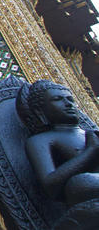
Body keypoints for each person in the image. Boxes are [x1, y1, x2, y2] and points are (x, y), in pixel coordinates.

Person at [18, 80, 99, 226]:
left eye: (70, 99)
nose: (68, 104)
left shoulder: (90, 133)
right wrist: (91, 151)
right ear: (40, 111)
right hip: (88, 187)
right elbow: (50, 185)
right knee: (79, 183)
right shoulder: (42, 140)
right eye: (58, 99)